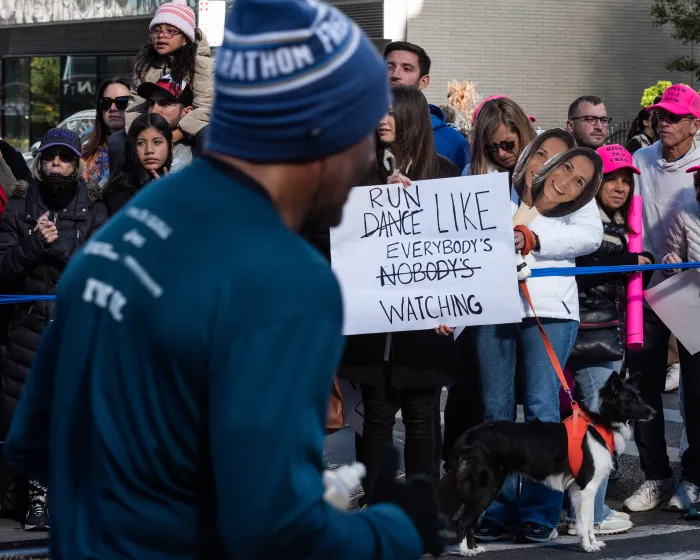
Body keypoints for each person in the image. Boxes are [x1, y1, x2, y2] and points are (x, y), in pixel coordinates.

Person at [1, 1, 445, 558]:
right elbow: (274, 527)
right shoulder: (286, 277)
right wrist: (395, 529)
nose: (365, 159)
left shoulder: (130, 222)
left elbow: (33, 442)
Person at [468, 139, 603, 544]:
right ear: (529, 155)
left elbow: (590, 237)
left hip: (551, 312)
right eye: (547, 157)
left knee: (543, 410)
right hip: (493, 307)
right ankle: (496, 505)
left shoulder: (579, 205)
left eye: (576, 176)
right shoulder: (491, 187)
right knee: (495, 411)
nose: (561, 177)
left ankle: (540, 511)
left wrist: (535, 239)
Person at [337, 84, 460, 500]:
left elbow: (458, 250)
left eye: (391, 112)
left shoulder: (442, 173)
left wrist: (452, 310)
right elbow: (336, 238)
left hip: (428, 320)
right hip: (371, 321)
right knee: (375, 415)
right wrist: (377, 204)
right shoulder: (356, 172)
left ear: (411, 116)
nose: (382, 119)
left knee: (424, 416)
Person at [0, 128, 107, 533]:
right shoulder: (17, 208)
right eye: (50, 158)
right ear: (40, 163)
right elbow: (2, 268)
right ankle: (37, 499)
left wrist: (55, 246)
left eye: (64, 158)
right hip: (28, 328)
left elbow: (100, 268)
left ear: (77, 163)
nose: (57, 165)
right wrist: (32, 244)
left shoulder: (95, 208)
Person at [566, 144, 655, 537]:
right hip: (590, 335)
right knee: (595, 427)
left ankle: (585, 511)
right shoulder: (589, 225)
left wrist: (640, 259)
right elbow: (585, 268)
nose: (619, 187)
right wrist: (624, 256)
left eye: (626, 181)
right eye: (612, 179)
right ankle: (592, 515)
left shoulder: (619, 226)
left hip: (605, 332)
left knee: (585, 426)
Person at [625, 84, 700, 513]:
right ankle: (656, 476)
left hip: (693, 292)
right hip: (646, 288)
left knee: (697, 390)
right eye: (659, 115)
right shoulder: (639, 159)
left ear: (694, 123)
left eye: (674, 117)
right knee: (643, 389)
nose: (664, 123)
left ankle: (694, 477)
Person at [659, 164, 700, 515]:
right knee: (696, 403)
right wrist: (672, 262)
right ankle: (694, 479)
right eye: (699, 183)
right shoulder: (685, 210)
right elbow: (670, 254)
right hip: (695, 316)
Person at [124, 0, 212, 143]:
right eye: (156, 30)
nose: (161, 35)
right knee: (117, 141)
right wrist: (138, 139)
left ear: (185, 38)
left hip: (189, 131)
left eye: (170, 31)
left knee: (207, 133)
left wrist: (175, 135)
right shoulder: (144, 65)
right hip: (151, 131)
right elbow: (135, 108)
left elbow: (206, 108)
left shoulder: (201, 64)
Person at [383, 41, 471, 171]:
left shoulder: (453, 142)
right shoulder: (359, 133)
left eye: (406, 69)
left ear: (423, 82)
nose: (395, 75)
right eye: (389, 67)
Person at [102, 113, 173, 216]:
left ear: (171, 146)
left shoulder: (181, 187)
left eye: (157, 142)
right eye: (140, 143)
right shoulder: (119, 192)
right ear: (132, 147)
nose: (149, 150)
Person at [465, 96, 536, 177]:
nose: (501, 154)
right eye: (491, 148)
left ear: (522, 134)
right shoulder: (470, 173)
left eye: (507, 144)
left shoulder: (544, 170)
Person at [82, 78, 131, 187]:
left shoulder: (147, 150)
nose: (113, 108)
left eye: (122, 102)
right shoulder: (85, 154)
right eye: (106, 102)